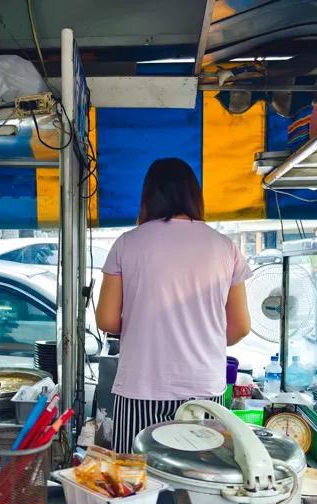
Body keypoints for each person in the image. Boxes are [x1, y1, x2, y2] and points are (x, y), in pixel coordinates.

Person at [95, 158, 253, 453]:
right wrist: (207, 337)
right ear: (194, 196)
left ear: (148, 197)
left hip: (141, 386)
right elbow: (241, 326)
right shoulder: (225, 247)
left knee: (136, 481)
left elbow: (106, 320)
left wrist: (142, 323)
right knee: (195, 481)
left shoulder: (127, 243)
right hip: (203, 389)